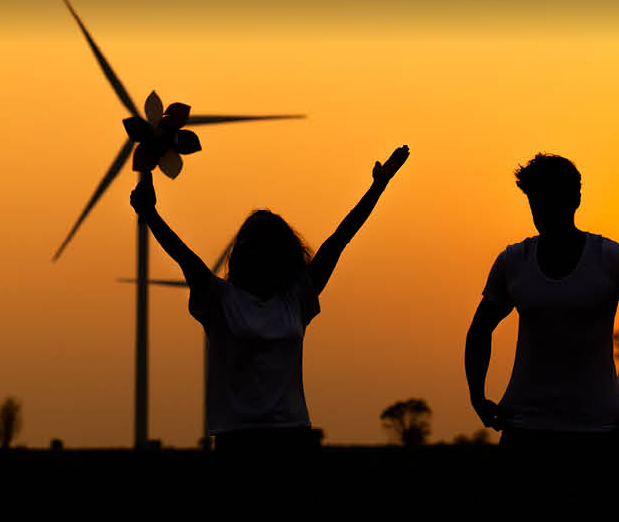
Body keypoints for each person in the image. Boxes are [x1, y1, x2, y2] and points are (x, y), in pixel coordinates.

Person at [130, 145, 410, 452]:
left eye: (264, 243)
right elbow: (182, 255)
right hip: (237, 440)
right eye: (249, 241)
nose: (255, 249)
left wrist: (378, 187)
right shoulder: (220, 300)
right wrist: (151, 215)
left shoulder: (295, 298)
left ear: (281, 253)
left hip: (293, 437)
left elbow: (339, 240)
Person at [463, 153, 619, 457]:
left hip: (600, 433)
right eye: (535, 201)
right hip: (525, 433)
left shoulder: (612, 259)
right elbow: (479, 331)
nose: (542, 210)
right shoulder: (513, 263)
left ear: (575, 199)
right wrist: (477, 397)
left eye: (551, 199)